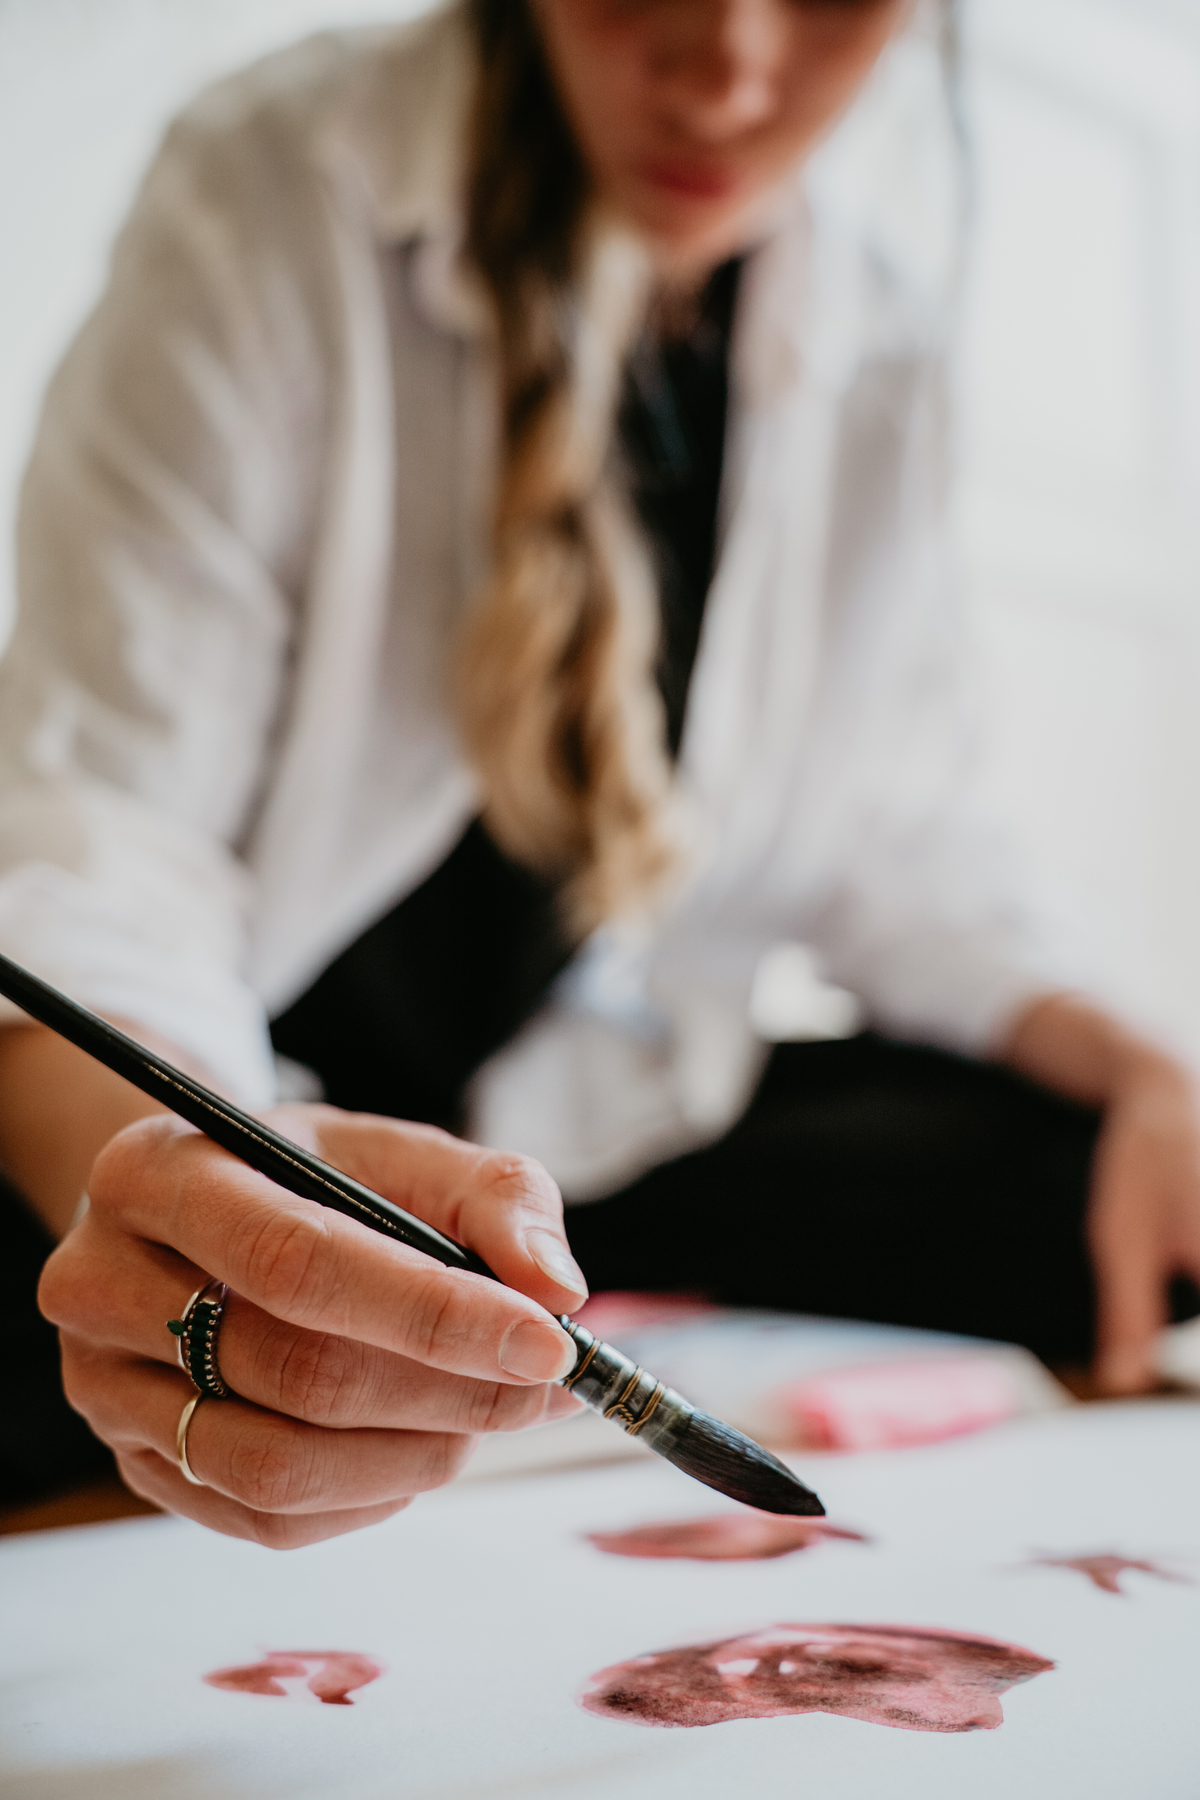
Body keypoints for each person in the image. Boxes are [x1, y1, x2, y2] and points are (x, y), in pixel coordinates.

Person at [0, 0, 1197, 1531]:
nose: (729, 73)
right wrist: (176, 1187)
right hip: (250, 1102)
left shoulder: (882, 334)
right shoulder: (273, 181)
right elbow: (103, 825)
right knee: (74, 1297)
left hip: (589, 1136)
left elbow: (902, 836)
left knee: (1104, 1176)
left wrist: (1155, 1068)